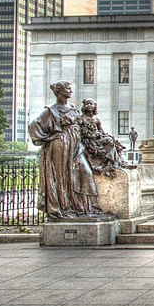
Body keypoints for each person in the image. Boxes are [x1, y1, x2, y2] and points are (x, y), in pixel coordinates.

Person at [28, 81, 101, 220]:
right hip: (60, 144)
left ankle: (83, 207)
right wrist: (48, 138)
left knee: (85, 172)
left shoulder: (73, 108)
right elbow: (33, 125)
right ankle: (64, 206)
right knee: (62, 175)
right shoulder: (51, 110)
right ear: (60, 91)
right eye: (68, 89)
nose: (71, 91)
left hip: (76, 144)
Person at [79, 98, 126, 175]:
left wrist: (105, 136)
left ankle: (117, 162)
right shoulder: (81, 119)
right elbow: (80, 132)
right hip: (88, 141)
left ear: (95, 106)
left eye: (91, 104)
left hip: (97, 139)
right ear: (84, 106)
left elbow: (102, 132)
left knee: (113, 142)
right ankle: (109, 164)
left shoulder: (96, 120)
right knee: (109, 141)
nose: (89, 105)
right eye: (87, 104)